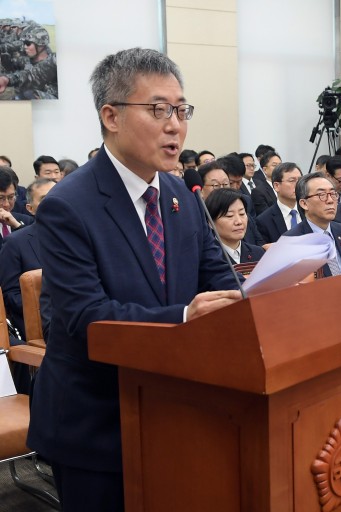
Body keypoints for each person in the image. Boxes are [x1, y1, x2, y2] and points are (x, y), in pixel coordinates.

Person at [26, 48, 242, 511]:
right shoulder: (69, 205)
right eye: (158, 109)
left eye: (181, 111)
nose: (175, 126)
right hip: (98, 421)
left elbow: (220, 277)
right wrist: (186, 315)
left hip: (174, 410)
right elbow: (88, 318)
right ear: (112, 116)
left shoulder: (180, 192)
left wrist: (260, 295)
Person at [0, 178, 55, 340]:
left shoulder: (80, 235)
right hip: (40, 326)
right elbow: (11, 295)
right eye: (46, 199)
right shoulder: (16, 242)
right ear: (30, 209)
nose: (56, 202)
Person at [282, 172, 341, 275]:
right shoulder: (292, 242)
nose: (330, 200)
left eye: (333, 194)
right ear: (304, 204)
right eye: (322, 195)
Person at [204, 188, 265, 264]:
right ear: (210, 222)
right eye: (230, 216)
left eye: (242, 214)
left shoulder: (259, 254)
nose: (239, 222)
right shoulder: (206, 259)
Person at [0, 24, 57, 99]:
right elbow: (29, 74)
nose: (24, 47)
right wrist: (6, 79)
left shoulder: (54, 62)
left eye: (28, 43)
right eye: (23, 44)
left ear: (41, 44)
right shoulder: (26, 60)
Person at [255, 162, 303, 244]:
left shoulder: (310, 212)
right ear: (277, 186)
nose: (298, 185)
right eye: (292, 181)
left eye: (300, 180)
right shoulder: (264, 220)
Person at [0, 166, 33, 247]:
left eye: (11, 197)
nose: (6, 204)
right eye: (1, 198)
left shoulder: (26, 221)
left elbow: (35, 248)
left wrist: (17, 226)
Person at [250, 150, 281, 215]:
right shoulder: (258, 192)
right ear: (265, 170)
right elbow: (265, 216)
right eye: (274, 165)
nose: (279, 168)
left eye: (280, 165)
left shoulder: (286, 187)